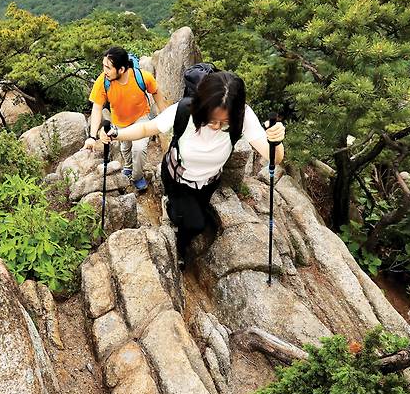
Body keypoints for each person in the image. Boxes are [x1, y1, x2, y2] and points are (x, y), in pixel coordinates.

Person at [99, 70, 286, 267]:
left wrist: (276, 141)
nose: (216, 126)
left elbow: (274, 157)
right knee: (194, 224)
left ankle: (182, 223)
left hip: (209, 181)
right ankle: (177, 234)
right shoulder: (185, 110)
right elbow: (147, 128)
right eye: (211, 119)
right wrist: (115, 134)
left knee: (199, 213)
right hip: (177, 177)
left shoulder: (242, 116)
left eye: (224, 123)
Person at [84, 46, 168, 192]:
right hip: (119, 121)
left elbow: (156, 93)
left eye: (108, 68)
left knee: (139, 148)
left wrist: (167, 117)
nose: (105, 71)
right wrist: (91, 136)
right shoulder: (103, 82)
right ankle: (128, 167)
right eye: (104, 66)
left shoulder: (142, 77)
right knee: (125, 147)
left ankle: (137, 176)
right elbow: (97, 108)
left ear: (121, 69)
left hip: (141, 117)